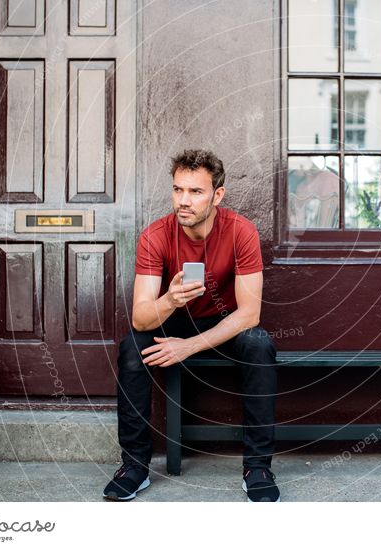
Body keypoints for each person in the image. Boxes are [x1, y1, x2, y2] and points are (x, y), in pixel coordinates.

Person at [103, 149, 279, 502]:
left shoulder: (241, 232)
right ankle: (134, 465)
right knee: (132, 348)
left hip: (225, 322)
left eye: (195, 192)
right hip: (174, 317)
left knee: (259, 344)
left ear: (217, 195)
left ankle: (258, 466)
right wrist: (170, 300)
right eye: (178, 190)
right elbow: (140, 317)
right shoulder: (156, 235)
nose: (184, 201)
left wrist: (189, 347)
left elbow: (249, 315)